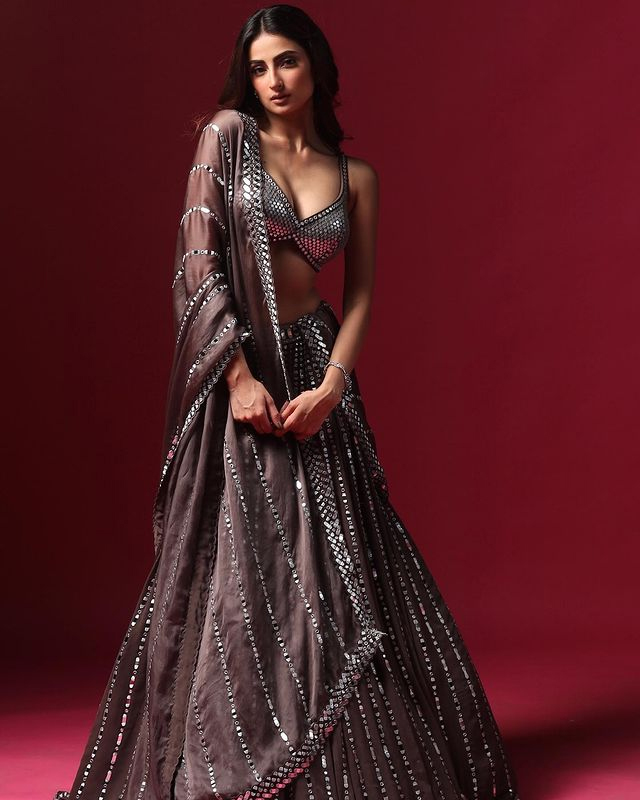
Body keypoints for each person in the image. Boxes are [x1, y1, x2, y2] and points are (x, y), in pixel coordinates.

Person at [54, 5, 520, 799]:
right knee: (251, 561)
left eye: (288, 62)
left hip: (314, 368)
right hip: (243, 369)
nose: (273, 80)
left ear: (316, 67)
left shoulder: (356, 177)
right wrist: (237, 378)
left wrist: (333, 385)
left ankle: (346, 761)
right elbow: (196, 266)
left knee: (342, 556)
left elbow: (361, 295)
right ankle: (243, 749)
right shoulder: (228, 138)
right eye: (260, 66)